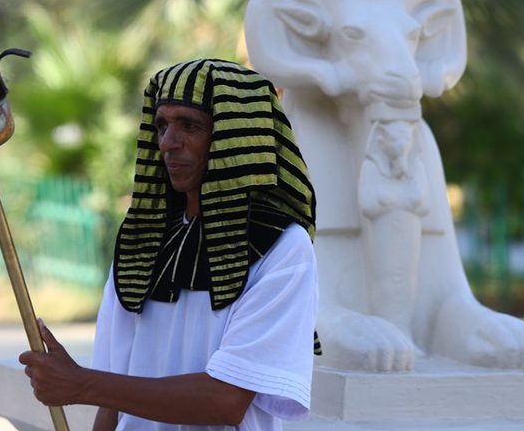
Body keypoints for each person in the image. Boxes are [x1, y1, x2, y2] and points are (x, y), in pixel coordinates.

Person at [19, 58, 320, 430]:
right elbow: (112, 404)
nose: (167, 143)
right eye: (162, 125)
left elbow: (226, 401)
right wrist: (88, 386)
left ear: (236, 137)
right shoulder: (140, 242)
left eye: (190, 126)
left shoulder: (283, 248)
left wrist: (82, 383)